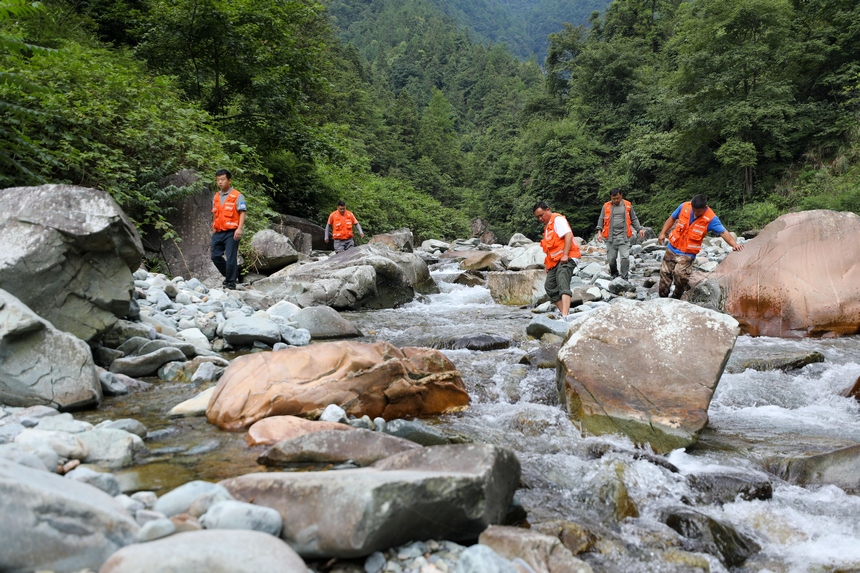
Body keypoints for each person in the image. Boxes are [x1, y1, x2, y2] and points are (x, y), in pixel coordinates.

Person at [657, 194, 744, 299]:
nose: (695, 213)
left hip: (687, 253)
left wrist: (734, 245)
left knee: (680, 274)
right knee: (664, 273)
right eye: (694, 210)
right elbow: (671, 218)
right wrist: (663, 233)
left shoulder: (711, 218)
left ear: (705, 207)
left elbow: (723, 232)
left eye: (698, 212)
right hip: (673, 247)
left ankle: (677, 295)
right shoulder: (684, 206)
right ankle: (662, 298)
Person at [534, 201, 581, 319]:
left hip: (568, 257)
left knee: (562, 282)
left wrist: (565, 255)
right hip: (555, 261)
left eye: (541, 215)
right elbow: (550, 248)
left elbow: (568, 235)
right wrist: (547, 264)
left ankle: (565, 316)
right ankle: (566, 314)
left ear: (548, 210)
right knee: (549, 286)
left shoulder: (558, 220)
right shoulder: (547, 228)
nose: (540, 218)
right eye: (538, 217)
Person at [595, 188, 646, 280]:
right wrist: (599, 232)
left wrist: (639, 229)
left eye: (617, 198)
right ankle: (614, 273)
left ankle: (624, 277)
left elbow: (634, 219)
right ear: (611, 197)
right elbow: (601, 219)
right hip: (610, 237)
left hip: (624, 237)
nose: (616, 200)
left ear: (621, 196)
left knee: (625, 258)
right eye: (613, 199)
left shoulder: (627, 205)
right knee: (611, 260)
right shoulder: (606, 206)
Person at [210, 169, 246, 289]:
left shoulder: (237, 196)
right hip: (219, 231)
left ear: (229, 180)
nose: (220, 182)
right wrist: (213, 225)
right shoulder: (216, 196)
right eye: (218, 180)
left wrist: (239, 229)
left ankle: (230, 283)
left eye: (223, 179)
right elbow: (215, 213)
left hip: (232, 231)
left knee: (231, 257)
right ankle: (232, 274)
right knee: (215, 256)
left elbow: (242, 212)